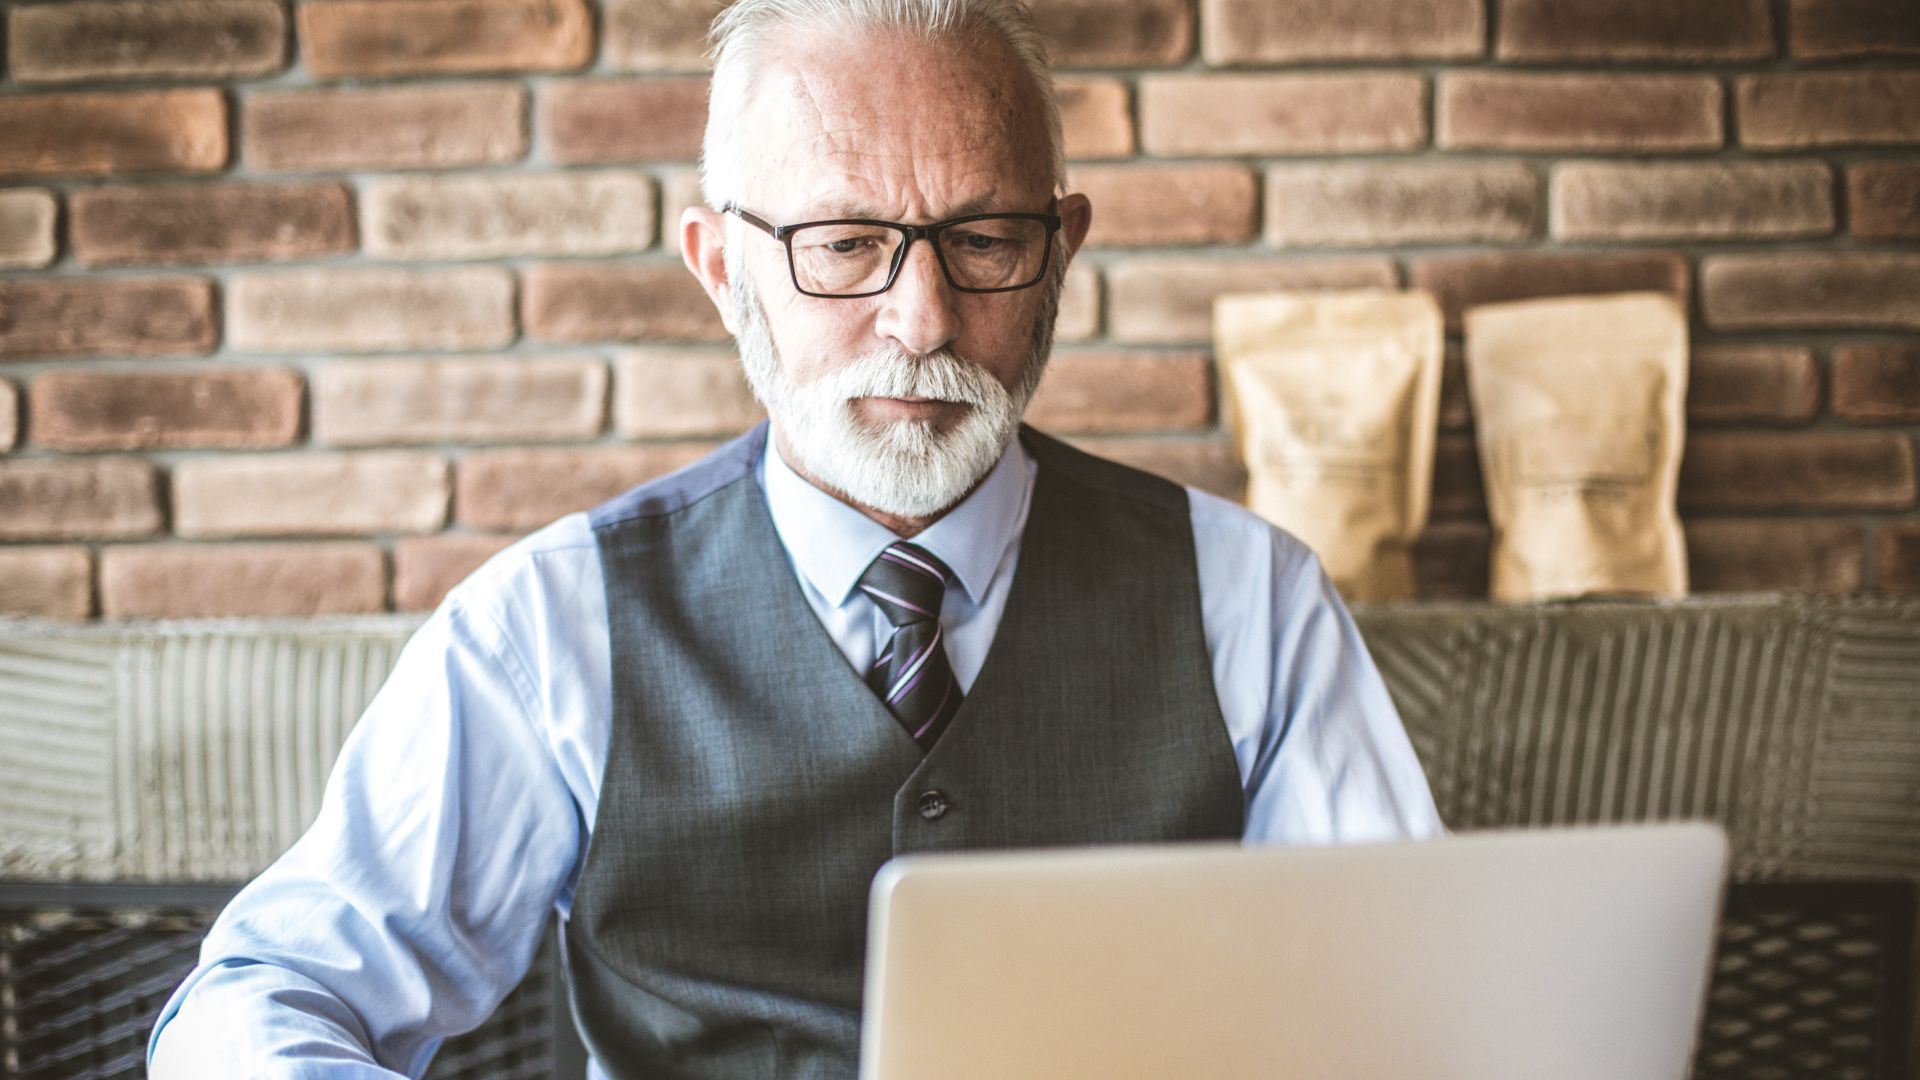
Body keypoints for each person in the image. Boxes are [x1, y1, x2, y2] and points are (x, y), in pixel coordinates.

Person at [148, 0, 1442, 1076]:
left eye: (985, 239)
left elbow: (1419, 1007)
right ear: (722, 268)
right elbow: (260, 1000)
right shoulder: (549, 628)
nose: (922, 320)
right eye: (846, 246)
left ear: (1062, 254)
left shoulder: (1249, 602)